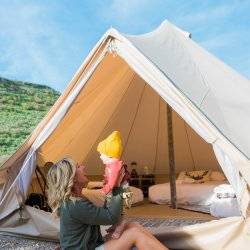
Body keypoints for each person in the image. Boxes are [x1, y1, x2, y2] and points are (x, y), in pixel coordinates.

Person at [47, 157, 168, 250]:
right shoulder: (74, 205)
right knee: (134, 234)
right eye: (78, 167)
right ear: (72, 178)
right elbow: (111, 217)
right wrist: (116, 186)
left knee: (133, 226)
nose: (83, 167)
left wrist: (111, 187)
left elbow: (104, 213)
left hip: (92, 245)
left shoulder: (77, 199)